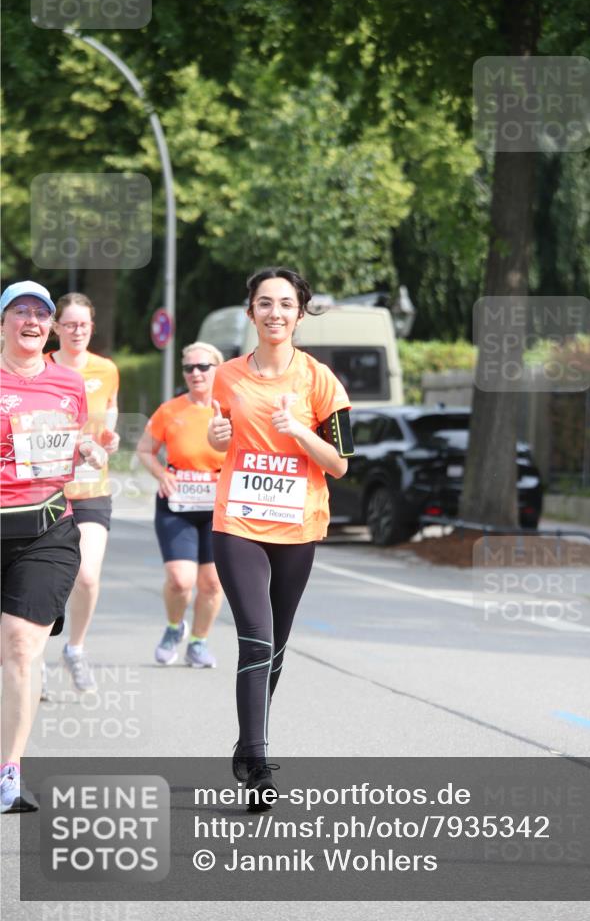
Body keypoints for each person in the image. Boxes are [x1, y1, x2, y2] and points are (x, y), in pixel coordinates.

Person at [208, 267, 353, 810]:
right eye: (265, 303)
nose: (275, 313)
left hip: (297, 526)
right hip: (239, 522)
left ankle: (248, 741)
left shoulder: (320, 380)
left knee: (277, 646)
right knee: (256, 638)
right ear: (251, 312)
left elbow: (340, 463)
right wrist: (216, 436)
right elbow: (219, 438)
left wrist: (299, 433)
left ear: (299, 314)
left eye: (285, 304)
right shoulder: (226, 377)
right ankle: (259, 762)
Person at [0, 281, 107, 813]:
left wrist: (87, 447)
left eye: (40, 314)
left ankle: (8, 771)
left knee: (21, 644)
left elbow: (73, 436)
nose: (32, 320)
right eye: (20, 311)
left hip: (46, 529)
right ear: (3, 322)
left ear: (50, 327)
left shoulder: (69, 382)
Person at [44, 293, 120, 693]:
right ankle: (33, 657)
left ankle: (75, 648)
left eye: (84, 325)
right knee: (45, 577)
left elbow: (111, 410)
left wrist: (110, 437)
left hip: (91, 487)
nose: (77, 331)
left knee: (87, 576)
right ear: (56, 327)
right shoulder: (41, 367)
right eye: (70, 324)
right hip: (46, 489)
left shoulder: (106, 369)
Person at [137, 342, 226, 669]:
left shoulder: (230, 410)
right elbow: (144, 450)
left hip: (218, 507)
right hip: (178, 504)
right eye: (189, 368)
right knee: (180, 580)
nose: (195, 373)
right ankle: (174, 627)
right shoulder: (170, 410)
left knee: (212, 582)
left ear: (218, 369)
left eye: (203, 367)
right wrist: (162, 474)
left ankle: (199, 643)